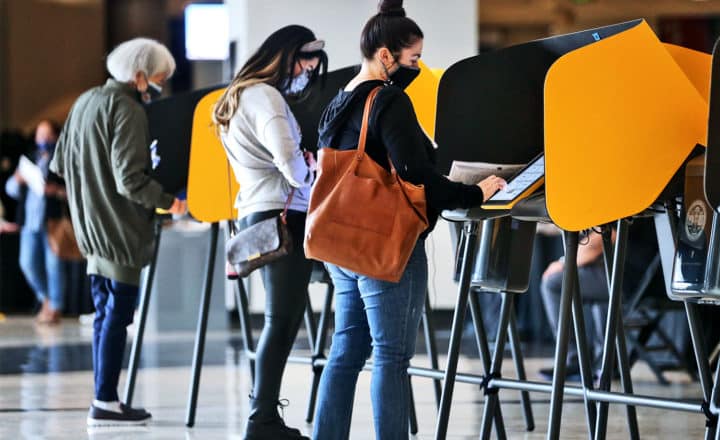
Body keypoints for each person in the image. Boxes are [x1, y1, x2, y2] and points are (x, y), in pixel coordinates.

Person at [311, 2, 506, 438]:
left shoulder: (339, 101)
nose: (417, 67)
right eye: (413, 59)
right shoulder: (388, 100)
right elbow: (415, 173)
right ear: (386, 55)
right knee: (391, 356)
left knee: (345, 350)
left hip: (341, 245)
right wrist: (475, 192)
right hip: (383, 246)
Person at [50, 38, 186, 427]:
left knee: (103, 315)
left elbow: (60, 163)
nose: (159, 86)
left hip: (90, 230)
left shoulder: (84, 102)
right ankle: (107, 399)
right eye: (158, 79)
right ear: (140, 75)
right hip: (121, 232)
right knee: (118, 317)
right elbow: (130, 180)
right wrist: (168, 201)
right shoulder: (127, 109)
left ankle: (103, 396)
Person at [212, 25, 327, 440]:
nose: (307, 73)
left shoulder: (241, 96)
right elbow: (292, 169)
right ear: (285, 56)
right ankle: (261, 419)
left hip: (257, 212)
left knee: (282, 319)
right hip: (281, 217)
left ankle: (265, 417)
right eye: (305, 63)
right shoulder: (266, 97)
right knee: (281, 321)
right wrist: (309, 165)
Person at [538, 220, 659, 381]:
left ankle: (575, 361)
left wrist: (563, 263)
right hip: (651, 281)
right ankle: (605, 363)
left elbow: (603, 238)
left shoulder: (627, 199)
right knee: (597, 276)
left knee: (552, 282)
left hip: (632, 282)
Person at [4, 120, 67, 324]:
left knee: (53, 265)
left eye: (48, 135)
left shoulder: (62, 160)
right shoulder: (29, 159)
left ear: (56, 137)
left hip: (52, 222)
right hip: (29, 223)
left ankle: (55, 307)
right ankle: (46, 299)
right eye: (40, 135)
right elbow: (10, 190)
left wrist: (56, 191)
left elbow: (74, 192)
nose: (43, 139)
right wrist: (17, 180)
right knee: (28, 263)